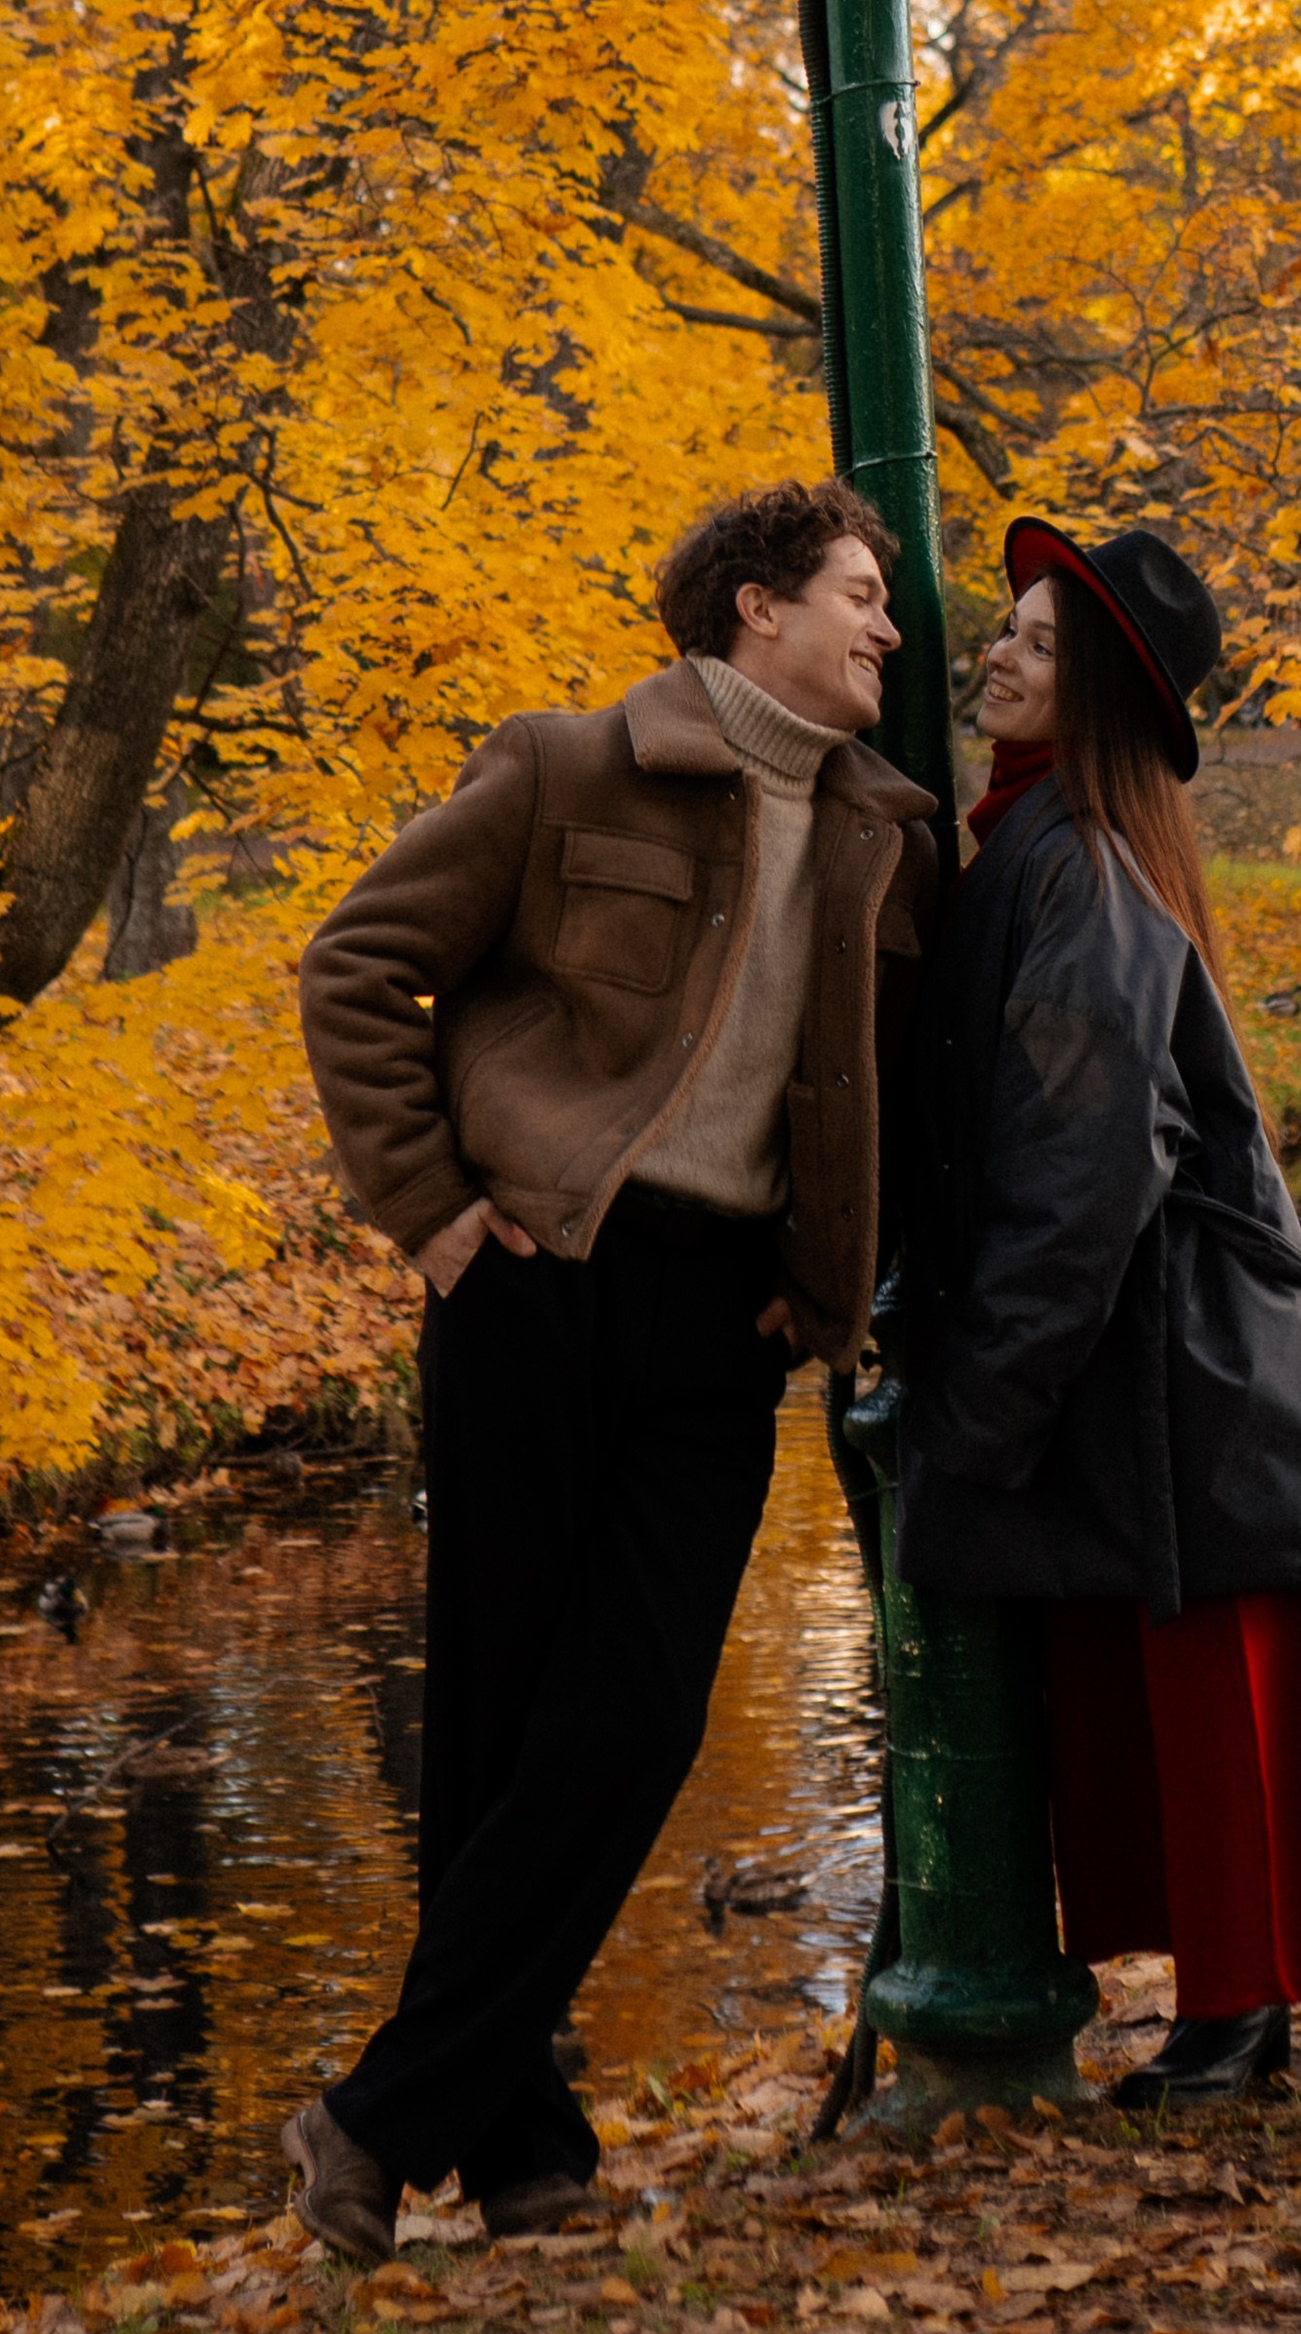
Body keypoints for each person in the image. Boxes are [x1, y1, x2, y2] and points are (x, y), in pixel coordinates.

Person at [282, 478, 939, 2253]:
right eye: (862, 596)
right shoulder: (568, 766)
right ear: (754, 610)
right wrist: (426, 1216)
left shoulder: (888, 833)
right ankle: (519, 2151)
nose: (890, 631)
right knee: (499, 1722)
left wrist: (830, 1285)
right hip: (534, 1282)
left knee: (636, 1720)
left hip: (723, 1320)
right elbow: (356, 964)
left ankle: (375, 2118)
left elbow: (881, 1097)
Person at [896, 517, 1301, 2106]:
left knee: (1202, 1700)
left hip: (1175, 1375)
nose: (1001, 654)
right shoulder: (1041, 839)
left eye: (1038, 639)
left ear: (1093, 688)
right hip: (1137, 1368)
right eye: (1011, 628)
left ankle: (1240, 2018)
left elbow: (1082, 1176)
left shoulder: (1083, 866)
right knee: (1145, 1711)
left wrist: (979, 1410)